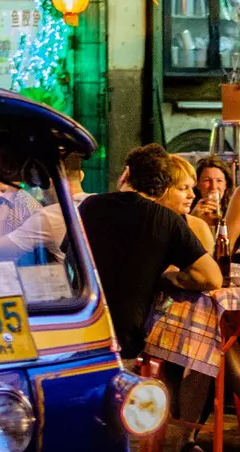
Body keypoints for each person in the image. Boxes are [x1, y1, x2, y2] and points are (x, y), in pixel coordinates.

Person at [79, 144, 221, 360]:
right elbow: (212, 277)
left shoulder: (89, 205)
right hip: (130, 339)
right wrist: (166, 278)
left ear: (126, 173)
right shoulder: (167, 220)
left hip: (84, 331)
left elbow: (69, 258)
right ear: (165, 188)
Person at [0, 151, 87, 262]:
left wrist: (10, 193)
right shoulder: (99, 205)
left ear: (46, 181)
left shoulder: (48, 217)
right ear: (81, 175)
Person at [193, 156, 232, 233]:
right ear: (197, 184)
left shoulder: (234, 210)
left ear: (226, 184)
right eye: (207, 180)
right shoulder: (188, 211)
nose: (213, 187)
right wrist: (193, 219)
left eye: (219, 180)